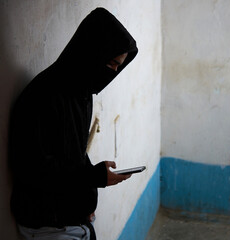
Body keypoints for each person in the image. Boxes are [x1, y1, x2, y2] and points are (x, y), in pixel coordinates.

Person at [8, 7, 138, 240]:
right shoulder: (43, 96)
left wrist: (85, 196)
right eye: (111, 64)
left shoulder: (81, 93)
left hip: (71, 220)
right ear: (92, 53)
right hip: (47, 225)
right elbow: (34, 171)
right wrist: (93, 178)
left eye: (119, 66)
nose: (114, 73)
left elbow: (71, 155)